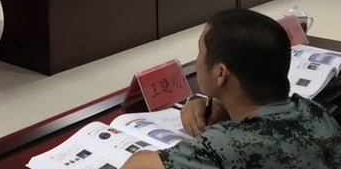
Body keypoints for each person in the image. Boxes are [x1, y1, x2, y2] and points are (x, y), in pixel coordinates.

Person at [121, 9, 341, 169]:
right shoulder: (316, 113)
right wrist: (223, 107)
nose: (197, 60)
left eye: (200, 49)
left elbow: (138, 165)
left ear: (221, 73)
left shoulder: (226, 145)